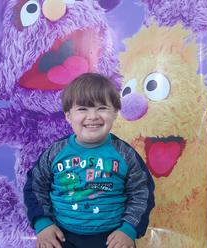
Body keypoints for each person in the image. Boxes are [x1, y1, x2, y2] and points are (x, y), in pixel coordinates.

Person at [23, 73, 155, 248]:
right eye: (83, 109)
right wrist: (42, 223)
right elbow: (35, 187)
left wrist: (129, 229)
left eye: (102, 108)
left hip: (113, 237)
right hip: (61, 235)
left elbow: (142, 193)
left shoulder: (125, 153)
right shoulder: (56, 152)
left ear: (115, 112)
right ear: (68, 115)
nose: (93, 116)